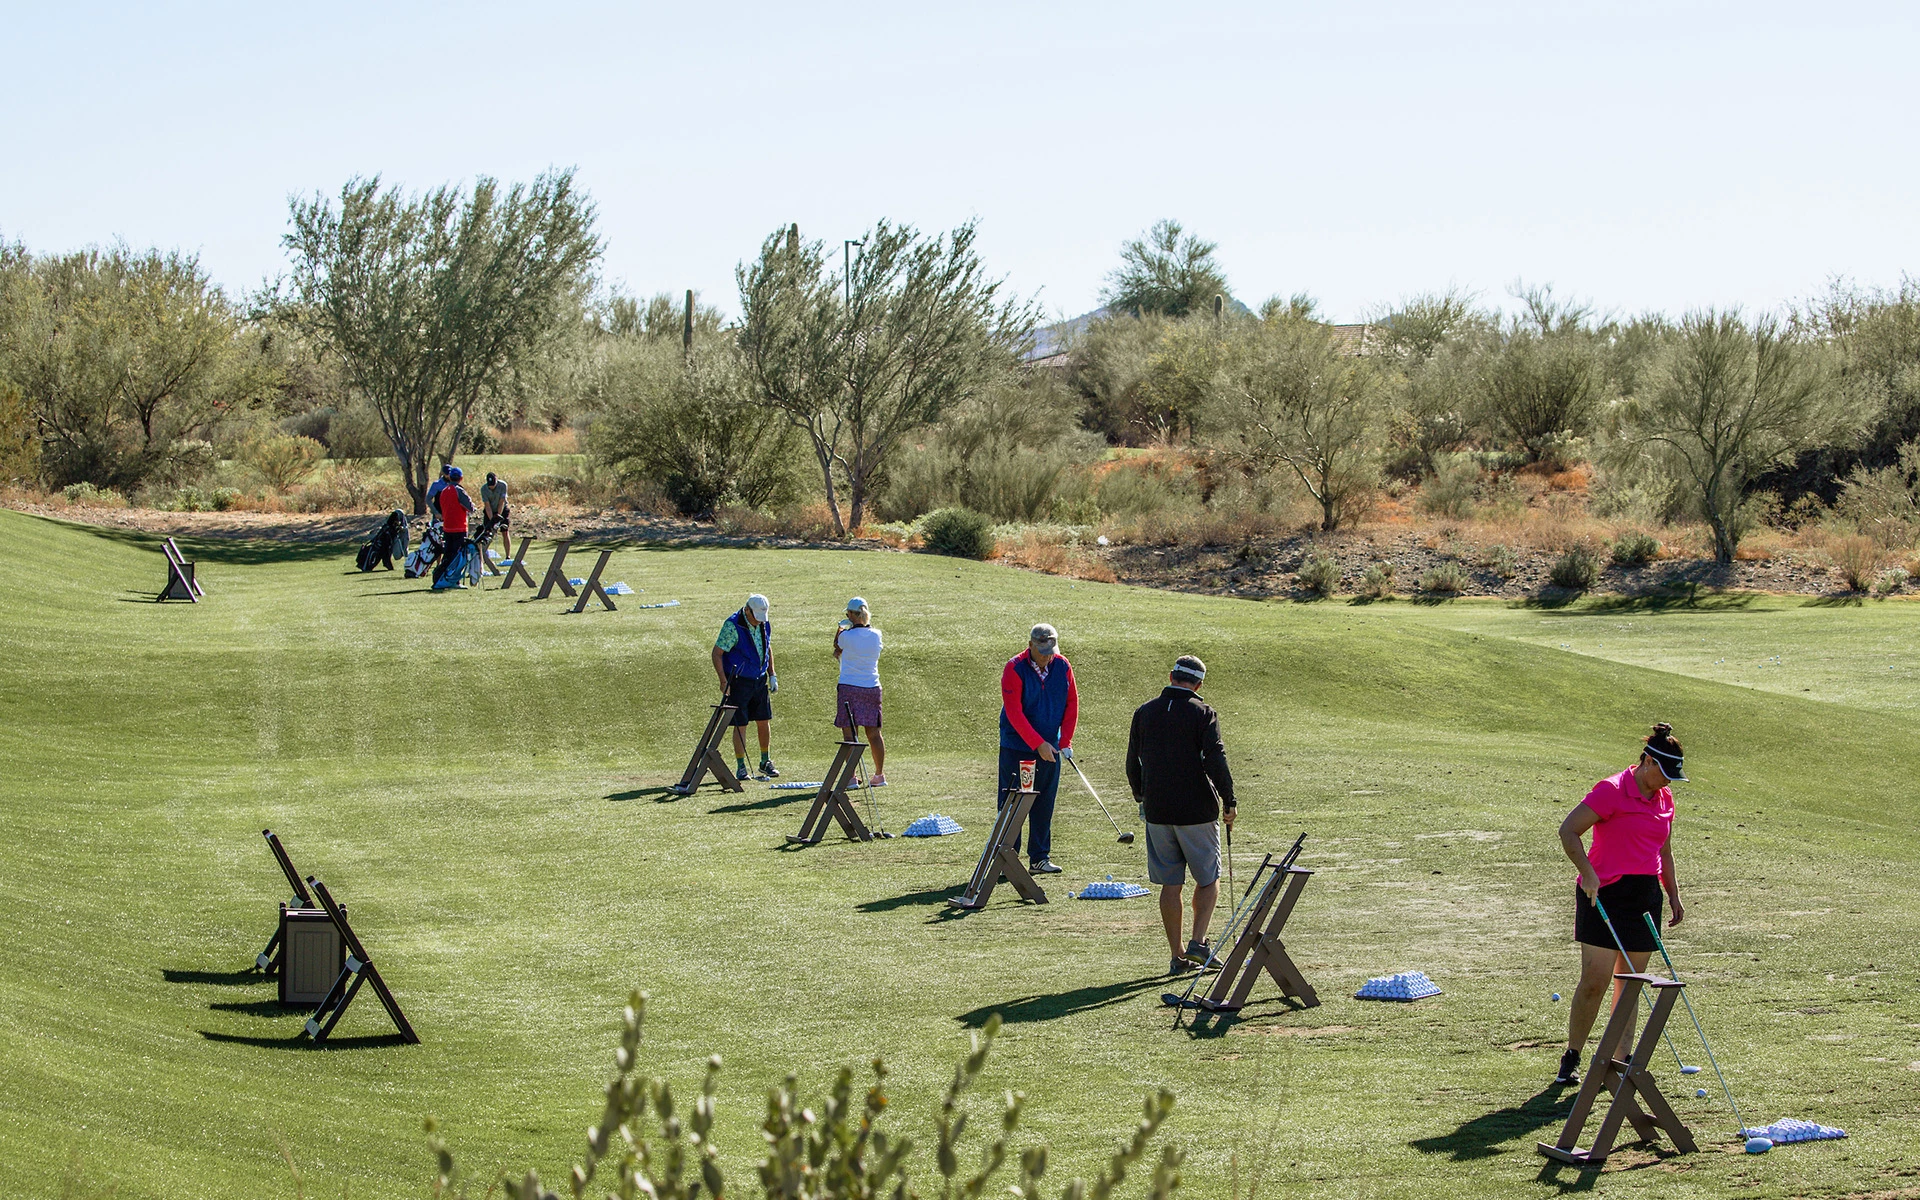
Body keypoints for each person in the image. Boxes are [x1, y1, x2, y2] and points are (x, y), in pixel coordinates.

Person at [1554, 723, 1688, 1086]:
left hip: (1644, 896)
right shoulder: (1611, 790)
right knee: (1594, 982)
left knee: (1630, 983)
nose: (1669, 783)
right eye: (1665, 773)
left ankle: (1620, 1058)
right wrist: (1588, 874)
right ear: (1647, 761)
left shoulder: (1665, 800)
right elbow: (1569, 831)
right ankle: (1573, 1055)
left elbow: (1664, 850)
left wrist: (1672, 893)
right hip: (1603, 894)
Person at [1125, 655, 1236, 976]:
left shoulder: (1144, 712)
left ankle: (1178, 956)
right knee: (1208, 879)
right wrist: (1229, 800)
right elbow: (1216, 759)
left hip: (1158, 810)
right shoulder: (1203, 712)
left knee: (1170, 885)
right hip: (1197, 810)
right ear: (1198, 685)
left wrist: (1142, 797)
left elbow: (1133, 762)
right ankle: (1199, 942)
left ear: (1171, 676)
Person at [998, 623, 1078, 874]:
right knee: (1014, 802)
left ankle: (1039, 858)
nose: (1046, 656)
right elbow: (1014, 712)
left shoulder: (1063, 666)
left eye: (1050, 650)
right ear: (1030, 645)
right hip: (1018, 747)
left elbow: (1071, 703)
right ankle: (1005, 858)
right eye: (1042, 650)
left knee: (1044, 802)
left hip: (1050, 748)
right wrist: (1037, 744)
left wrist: (1064, 742)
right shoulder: (1014, 668)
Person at [712, 593, 779, 780]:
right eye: (755, 617)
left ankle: (765, 761)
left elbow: (767, 647)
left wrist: (772, 673)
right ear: (747, 610)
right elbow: (717, 653)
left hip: (759, 680)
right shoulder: (732, 626)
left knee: (764, 720)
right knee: (740, 724)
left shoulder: (764, 623)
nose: (758, 621)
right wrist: (723, 681)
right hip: (739, 681)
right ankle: (741, 766)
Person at [833, 597, 886, 786]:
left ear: (851, 615)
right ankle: (879, 775)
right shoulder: (877, 635)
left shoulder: (846, 636)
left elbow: (836, 647)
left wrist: (840, 627)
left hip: (849, 687)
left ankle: (851, 777)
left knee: (850, 735)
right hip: (871, 687)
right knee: (874, 733)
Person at [433, 465, 475, 588]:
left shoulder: (444, 491)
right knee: (458, 556)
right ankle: (454, 580)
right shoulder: (459, 490)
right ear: (460, 478)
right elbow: (470, 507)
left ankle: (444, 577)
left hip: (447, 527)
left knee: (448, 554)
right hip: (459, 528)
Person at [480, 470, 511, 562]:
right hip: (490, 511)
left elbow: (501, 502)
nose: (492, 487)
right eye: (490, 485)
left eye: (493, 484)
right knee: (488, 533)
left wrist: (498, 517)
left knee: (505, 531)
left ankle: (508, 556)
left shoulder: (503, 485)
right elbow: (487, 506)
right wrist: (492, 521)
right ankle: (483, 557)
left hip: (502, 510)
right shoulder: (484, 489)